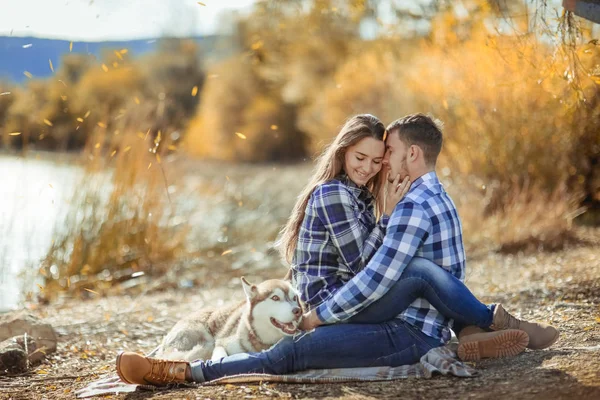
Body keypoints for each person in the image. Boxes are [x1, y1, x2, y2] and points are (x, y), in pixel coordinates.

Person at [115, 114, 559, 385]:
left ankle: (183, 374)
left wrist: (384, 212)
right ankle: (480, 325)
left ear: (410, 155)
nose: (375, 165)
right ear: (343, 152)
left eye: (382, 155)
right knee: (416, 274)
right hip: (343, 300)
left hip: (370, 312)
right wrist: (317, 314)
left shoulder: (387, 200)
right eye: (363, 157)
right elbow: (368, 272)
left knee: (296, 353)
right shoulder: (342, 196)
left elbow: (374, 274)